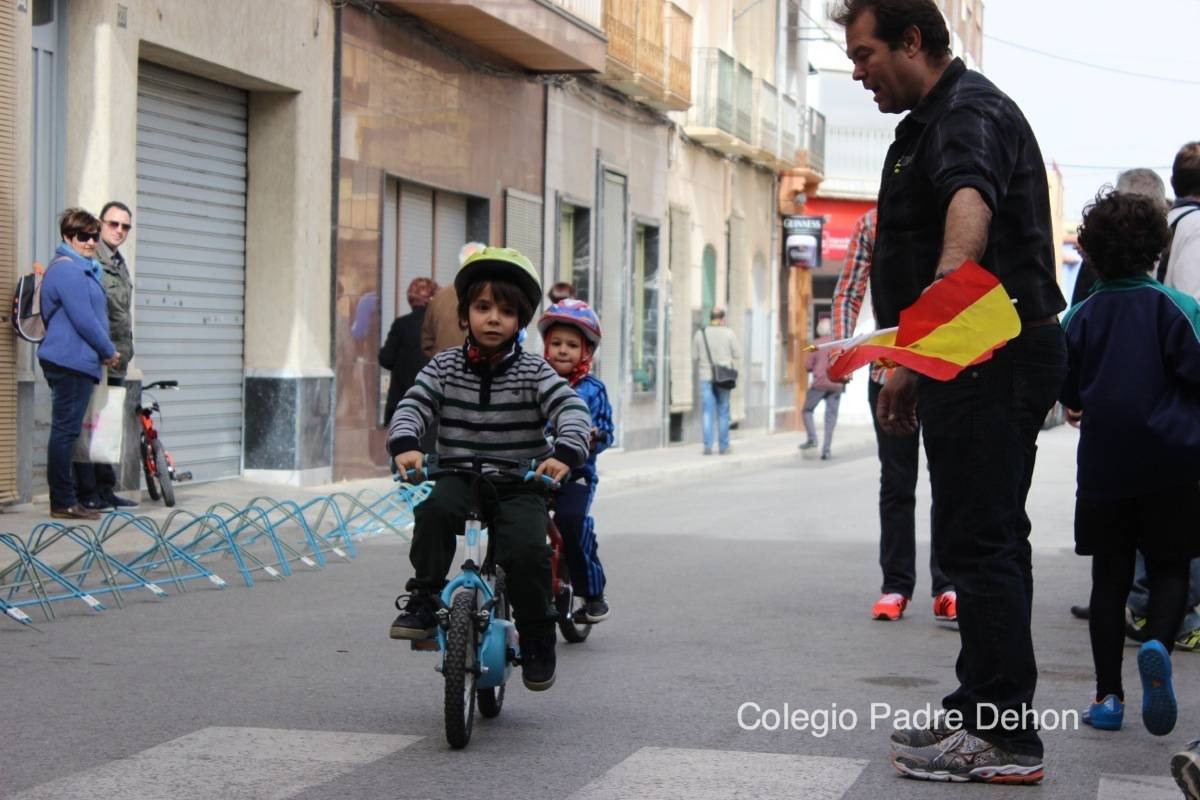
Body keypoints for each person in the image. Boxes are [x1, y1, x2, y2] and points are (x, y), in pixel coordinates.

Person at [835, 0, 1066, 783]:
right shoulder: (926, 121)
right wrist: (904, 349)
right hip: (969, 354)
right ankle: (981, 708)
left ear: (911, 41)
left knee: (983, 537)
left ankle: (1005, 737)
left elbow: (967, 215)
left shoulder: (967, 113)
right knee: (977, 531)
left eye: (865, 54)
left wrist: (918, 352)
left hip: (987, 353)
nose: (855, 71)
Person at [387, 247, 593, 692]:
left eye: (506, 310)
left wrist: (566, 454)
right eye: (483, 308)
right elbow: (413, 406)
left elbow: (572, 410)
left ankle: (538, 634)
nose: (493, 319)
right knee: (434, 512)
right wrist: (406, 445)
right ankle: (424, 596)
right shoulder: (443, 366)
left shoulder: (535, 372)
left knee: (526, 552)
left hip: (520, 482)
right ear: (465, 315)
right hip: (458, 475)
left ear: (520, 321)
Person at [1061, 191, 1200, 738]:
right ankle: (1160, 646)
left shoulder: (1082, 313)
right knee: (1169, 568)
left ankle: (1108, 698)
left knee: (1109, 578)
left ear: (1091, 252)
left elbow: (1068, 389)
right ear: (1155, 249)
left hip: (1104, 466)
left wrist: (1081, 399)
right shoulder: (1178, 308)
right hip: (1172, 462)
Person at [829, 208, 954, 622]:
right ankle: (896, 585)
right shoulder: (873, 222)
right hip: (886, 371)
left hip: (942, 369)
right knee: (897, 481)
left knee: (948, 481)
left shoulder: (952, 215)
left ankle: (948, 584)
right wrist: (845, 348)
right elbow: (848, 291)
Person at [38, 209, 122, 520]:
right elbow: (84, 320)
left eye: (92, 236)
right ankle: (62, 500)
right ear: (67, 237)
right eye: (81, 236)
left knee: (68, 431)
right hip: (70, 361)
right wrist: (108, 350)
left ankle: (69, 498)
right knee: (64, 432)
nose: (89, 242)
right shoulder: (68, 270)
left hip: (77, 360)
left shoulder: (84, 268)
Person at [537, 299, 614, 623]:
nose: (563, 351)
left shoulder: (593, 389)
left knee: (572, 522)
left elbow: (609, 431)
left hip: (576, 473)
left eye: (572, 345)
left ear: (586, 351)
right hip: (535, 468)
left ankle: (592, 595)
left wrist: (594, 436)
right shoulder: (533, 380)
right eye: (556, 344)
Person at [74, 201, 137, 511]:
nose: (119, 231)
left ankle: (105, 489)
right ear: (100, 225)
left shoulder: (118, 262)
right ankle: (86, 491)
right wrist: (104, 350)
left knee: (107, 425)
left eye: (125, 226)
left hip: (117, 358)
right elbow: (88, 313)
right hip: (98, 357)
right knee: (89, 426)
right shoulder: (91, 259)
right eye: (113, 224)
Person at [379, 277, 437, 423]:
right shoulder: (438, 326)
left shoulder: (401, 324)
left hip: (401, 401)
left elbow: (386, 358)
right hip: (430, 403)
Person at [421, 242, 487, 357]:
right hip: (480, 369)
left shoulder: (439, 297)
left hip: (444, 369)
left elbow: (427, 342)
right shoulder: (493, 296)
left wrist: (440, 360)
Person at [692, 307, 740, 456]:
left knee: (707, 411)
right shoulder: (729, 333)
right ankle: (724, 447)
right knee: (723, 411)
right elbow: (737, 353)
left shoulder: (700, 333)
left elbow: (695, 356)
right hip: (723, 377)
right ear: (722, 319)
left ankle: (707, 446)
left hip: (705, 376)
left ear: (710, 318)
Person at [800, 318, 845, 460]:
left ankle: (812, 438)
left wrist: (814, 368)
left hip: (820, 383)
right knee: (830, 418)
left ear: (819, 329)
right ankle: (826, 450)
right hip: (836, 384)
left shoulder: (815, 344)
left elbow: (807, 365)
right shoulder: (839, 344)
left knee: (807, 410)